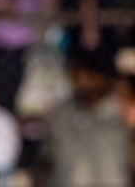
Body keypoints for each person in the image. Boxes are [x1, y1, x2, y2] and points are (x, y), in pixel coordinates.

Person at [41, 45, 131, 187]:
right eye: (74, 75)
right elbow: (48, 159)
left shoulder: (124, 111)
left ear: (103, 77)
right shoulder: (61, 113)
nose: (78, 83)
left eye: (87, 75)